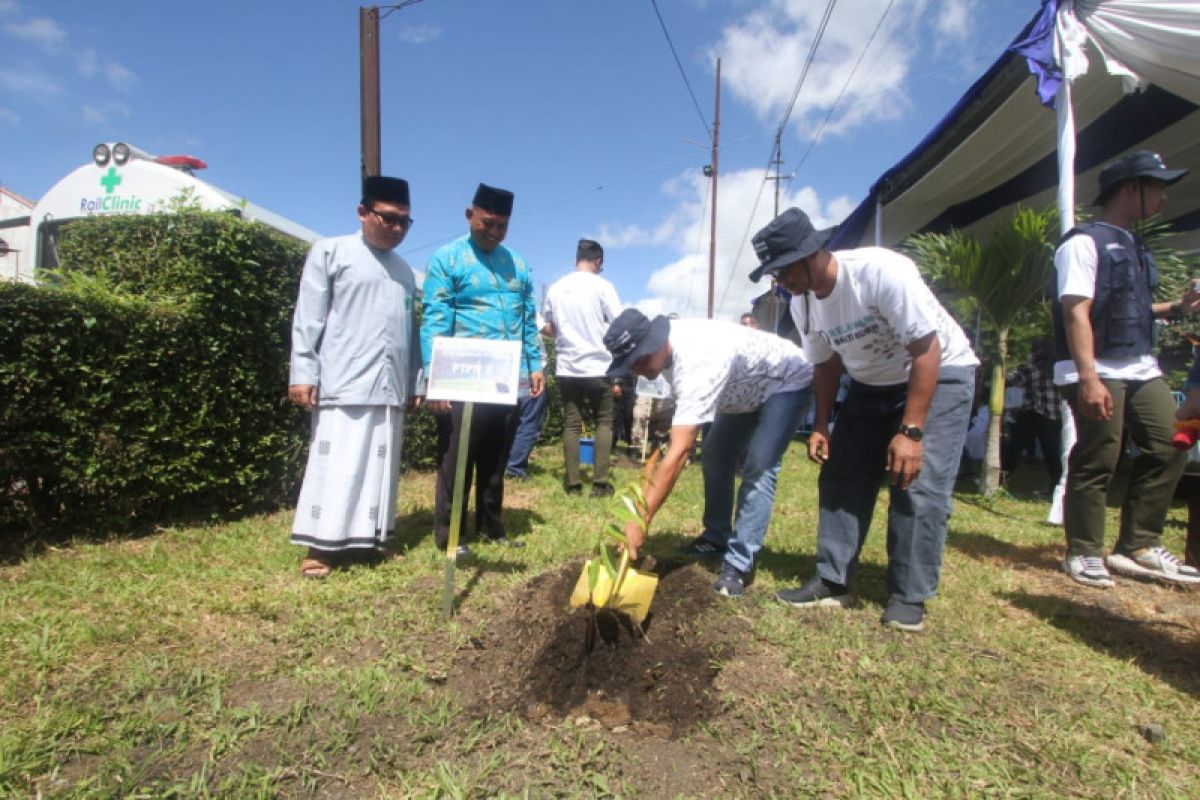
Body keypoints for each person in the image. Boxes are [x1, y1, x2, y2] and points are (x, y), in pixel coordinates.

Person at [757, 207, 979, 632]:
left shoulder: (880, 273)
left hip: (940, 372)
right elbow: (824, 365)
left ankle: (908, 594)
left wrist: (911, 432)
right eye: (774, 275)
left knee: (916, 483)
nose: (780, 282)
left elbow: (926, 350)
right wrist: (822, 424)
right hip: (870, 383)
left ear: (813, 252)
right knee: (843, 476)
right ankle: (832, 579)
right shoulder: (802, 304)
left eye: (784, 270)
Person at [1052, 150, 1200, 587]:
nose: (1163, 197)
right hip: (1095, 366)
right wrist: (1089, 377)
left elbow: (1129, 308)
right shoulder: (1083, 242)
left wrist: (1177, 306)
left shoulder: (1135, 244)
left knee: (1170, 443)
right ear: (1130, 188)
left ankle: (1137, 545)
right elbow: (1076, 312)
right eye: (1157, 187)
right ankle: (1083, 551)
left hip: (1139, 365)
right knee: (1101, 453)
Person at [603, 309, 814, 597]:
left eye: (640, 359)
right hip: (742, 395)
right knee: (715, 455)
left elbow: (680, 452)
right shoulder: (666, 354)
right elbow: (695, 397)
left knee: (760, 464)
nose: (637, 369)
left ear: (657, 340)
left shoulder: (696, 356)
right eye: (630, 364)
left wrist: (642, 520)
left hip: (786, 381)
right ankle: (716, 538)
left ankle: (738, 563)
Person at [288, 176, 420, 578]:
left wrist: (415, 383)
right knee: (337, 464)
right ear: (363, 212)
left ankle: (374, 539)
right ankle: (320, 547)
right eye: (390, 219)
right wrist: (302, 372)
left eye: (405, 223)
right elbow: (308, 316)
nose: (397, 229)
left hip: (388, 388)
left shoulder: (405, 272)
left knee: (380, 469)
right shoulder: (331, 252)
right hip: (343, 381)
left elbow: (411, 334)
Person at [420, 183, 545, 558]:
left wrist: (535, 364)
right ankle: (451, 535)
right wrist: (435, 378)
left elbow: (527, 320)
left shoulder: (517, 264)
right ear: (469, 215)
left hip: (503, 378)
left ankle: (491, 525)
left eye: (502, 226)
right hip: (460, 376)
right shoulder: (448, 258)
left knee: (495, 457)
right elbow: (435, 319)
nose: (493, 232)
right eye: (487, 223)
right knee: (457, 457)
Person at [543, 239, 623, 496]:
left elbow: (550, 328)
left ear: (577, 259)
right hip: (599, 364)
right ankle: (599, 484)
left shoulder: (556, 288)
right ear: (598, 261)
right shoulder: (603, 286)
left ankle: (573, 484)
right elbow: (619, 325)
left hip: (567, 367)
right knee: (604, 421)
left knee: (571, 424)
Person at [1004, 340, 1062, 493]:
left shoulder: (1036, 369)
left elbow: (1012, 378)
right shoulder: (1058, 368)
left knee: (1014, 446)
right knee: (1052, 453)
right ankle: (1056, 486)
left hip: (1038, 414)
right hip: (1056, 416)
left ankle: (1002, 478)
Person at [505, 316, 550, 480]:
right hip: (530, 370)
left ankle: (502, 462)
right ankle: (515, 468)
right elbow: (549, 330)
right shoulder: (527, 309)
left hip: (505, 367)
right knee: (529, 421)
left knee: (508, 420)